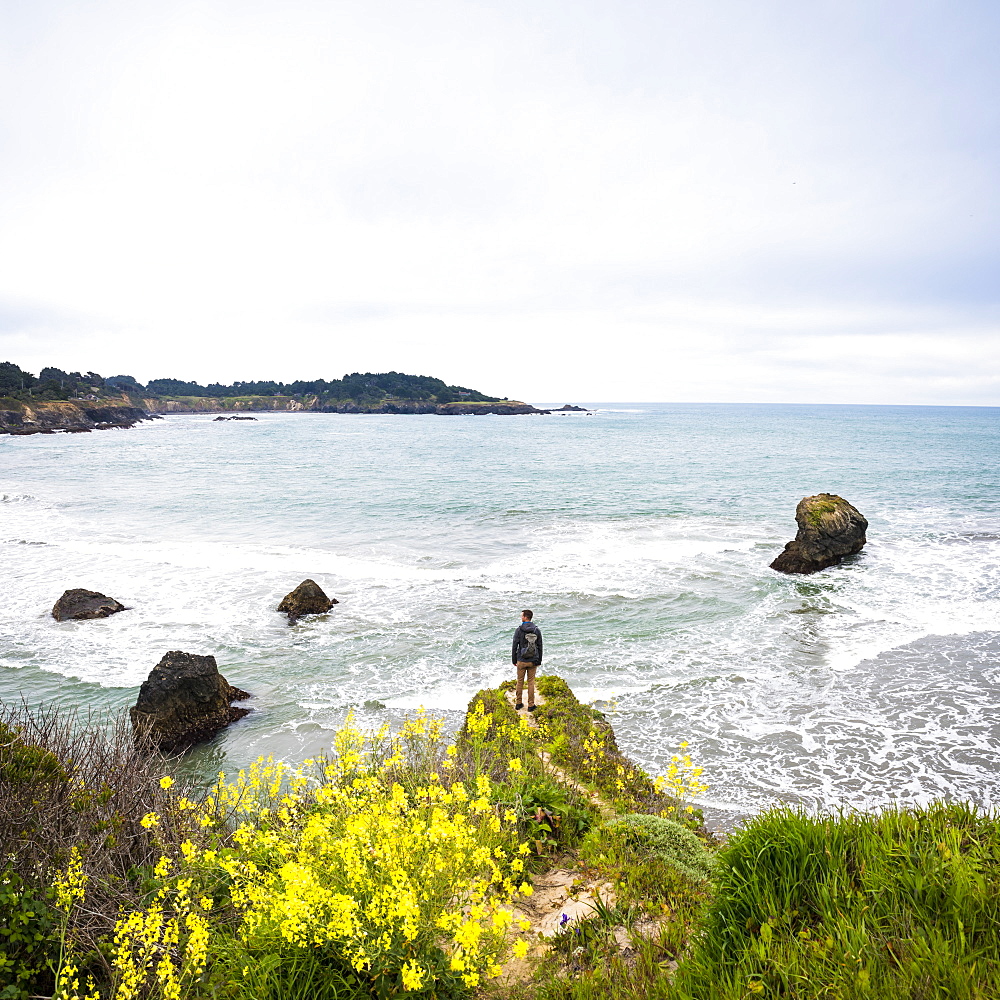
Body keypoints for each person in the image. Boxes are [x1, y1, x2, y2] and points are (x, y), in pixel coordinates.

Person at [511, 609, 543, 711]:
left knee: (520, 681)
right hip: (533, 660)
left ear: (525, 617)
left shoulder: (519, 630)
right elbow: (540, 645)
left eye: (522, 616)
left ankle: (518, 703)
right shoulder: (536, 630)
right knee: (531, 682)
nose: (521, 617)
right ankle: (531, 705)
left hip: (521, 659)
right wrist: (539, 660)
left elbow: (515, 646)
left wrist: (514, 659)